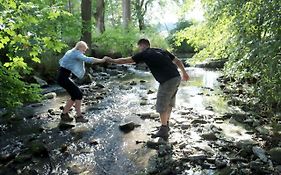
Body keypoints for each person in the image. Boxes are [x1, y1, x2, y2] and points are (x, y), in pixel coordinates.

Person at [105, 38, 189, 139]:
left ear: (142, 45)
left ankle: (164, 129)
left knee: (161, 104)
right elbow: (178, 61)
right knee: (169, 103)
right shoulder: (161, 50)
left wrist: (112, 60)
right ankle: (166, 124)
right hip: (176, 77)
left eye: (139, 47)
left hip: (167, 80)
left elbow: (126, 60)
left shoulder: (145, 53)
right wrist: (184, 73)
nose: (139, 49)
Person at [57, 41, 105, 123]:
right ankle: (79, 116)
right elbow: (88, 59)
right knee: (79, 94)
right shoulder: (76, 53)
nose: (84, 52)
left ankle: (64, 114)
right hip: (63, 78)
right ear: (79, 48)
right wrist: (102, 60)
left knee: (74, 95)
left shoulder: (71, 52)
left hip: (62, 78)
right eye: (84, 50)